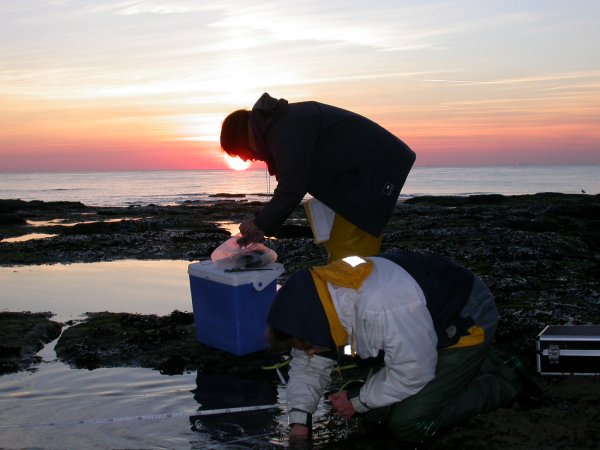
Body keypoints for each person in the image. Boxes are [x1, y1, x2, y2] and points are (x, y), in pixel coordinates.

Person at [267, 251, 537, 443]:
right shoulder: (316, 305)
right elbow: (307, 365)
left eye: (311, 346)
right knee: (376, 414)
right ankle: (468, 367)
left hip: (466, 323)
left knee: (410, 425)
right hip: (417, 327)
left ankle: (506, 379)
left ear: (315, 327)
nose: (311, 352)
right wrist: (299, 421)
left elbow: (415, 371)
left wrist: (359, 401)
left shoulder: (380, 306)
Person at [220, 93, 416, 260]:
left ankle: (354, 296)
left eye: (239, 153)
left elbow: (292, 186)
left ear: (243, 137)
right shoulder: (279, 125)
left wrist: (260, 224)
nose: (246, 159)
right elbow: (295, 180)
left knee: (349, 254)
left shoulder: (284, 130)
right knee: (339, 249)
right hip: (357, 177)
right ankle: (349, 293)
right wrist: (261, 222)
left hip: (374, 173)